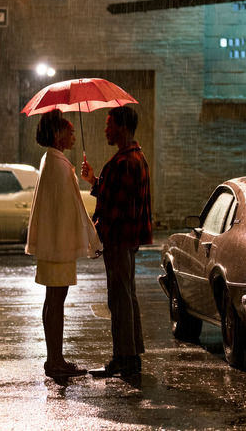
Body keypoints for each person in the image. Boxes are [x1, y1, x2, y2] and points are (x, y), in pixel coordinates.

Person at [25, 109, 102, 378]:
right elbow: (75, 208)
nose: (73, 136)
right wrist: (93, 239)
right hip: (58, 245)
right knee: (56, 301)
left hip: (53, 243)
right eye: (69, 132)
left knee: (53, 300)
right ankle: (55, 360)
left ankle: (54, 358)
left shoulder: (51, 160)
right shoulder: (59, 164)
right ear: (57, 135)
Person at [80, 106, 152, 377]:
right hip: (126, 239)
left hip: (119, 239)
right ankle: (131, 356)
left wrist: (98, 233)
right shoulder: (135, 157)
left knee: (119, 300)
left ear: (122, 127)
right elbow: (115, 195)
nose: (105, 129)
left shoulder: (126, 163)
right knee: (126, 297)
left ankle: (124, 358)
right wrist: (94, 181)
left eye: (109, 124)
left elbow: (115, 207)